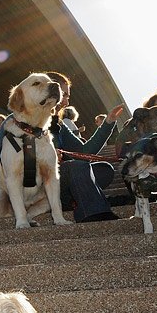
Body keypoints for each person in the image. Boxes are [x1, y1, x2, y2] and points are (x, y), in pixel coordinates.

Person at [44, 72, 124, 223]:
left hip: (58, 182)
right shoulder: (21, 120)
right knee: (77, 167)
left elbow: (84, 153)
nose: (67, 102)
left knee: (104, 170)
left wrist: (108, 123)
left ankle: (69, 202)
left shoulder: (59, 125)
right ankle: (95, 214)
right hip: (37, 185)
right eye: (65, 95)